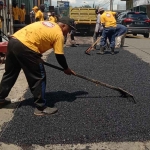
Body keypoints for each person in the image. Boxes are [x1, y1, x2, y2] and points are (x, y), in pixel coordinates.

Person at [0, 17, 76, 116]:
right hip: (26, 47)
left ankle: (0, 99)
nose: (68, 32)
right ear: (63, 25)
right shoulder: (59, 34)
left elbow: (38, 37)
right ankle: (41, 107)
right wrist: (66, 68)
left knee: (11, 73)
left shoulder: (48, 23)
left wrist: (36, 54)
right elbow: (59, 55)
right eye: (69, 29)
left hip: (14, 41)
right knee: (39, 76)